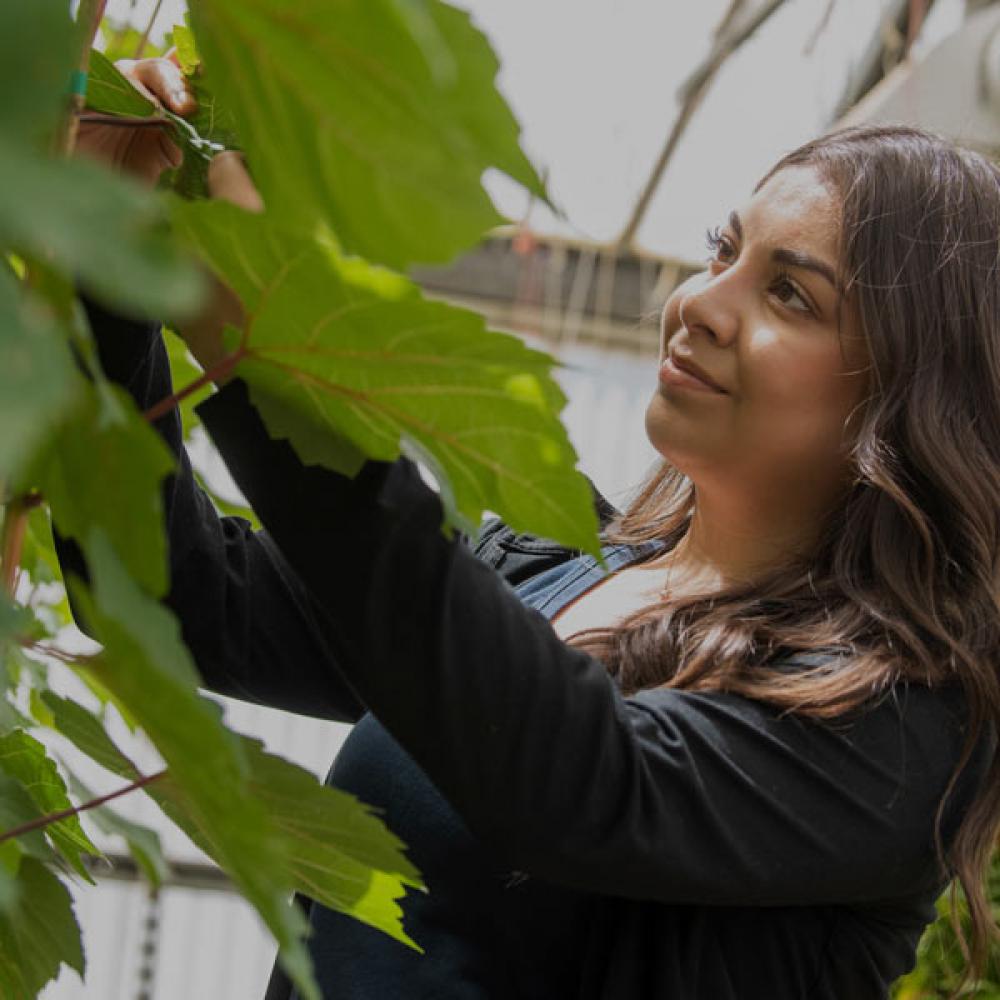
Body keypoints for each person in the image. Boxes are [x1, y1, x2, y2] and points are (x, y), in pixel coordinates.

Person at [59, 56, 999, 1000]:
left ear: (915, 399)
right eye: (724, 250)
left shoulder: (906, 718)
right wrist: (99, 257)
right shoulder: (561, 567)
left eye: (791, 295)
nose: (699, 304)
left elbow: (578, 786)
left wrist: (255, 338)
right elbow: (180, 596)